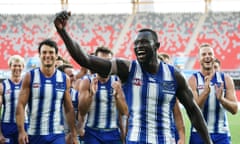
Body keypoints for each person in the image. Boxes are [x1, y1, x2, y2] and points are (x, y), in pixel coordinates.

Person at [54, 11, 212, 144]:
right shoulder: (127, 69)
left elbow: (193, 111)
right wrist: (63, 32)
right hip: (136, 140)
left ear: (156, 46)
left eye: (144, 42)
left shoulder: (175, 76)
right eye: (136, 44)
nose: (139, 46)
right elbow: (85, 59)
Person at [15, 39, 78, 144]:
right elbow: (21, 105)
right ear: (39, 55)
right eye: (44, 52)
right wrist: (21, 131)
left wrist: (74, 134)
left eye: (51, 52)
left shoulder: (64, 79)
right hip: (35, 134)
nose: (47, 55)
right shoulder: (30, 76)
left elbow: (69, 109)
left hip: (56, 134)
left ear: (56, 55)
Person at [188, 43, 238, 144]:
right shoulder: (193, 80)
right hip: (198, 133)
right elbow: (192, 110)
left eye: (210, 54)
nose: (207, 56)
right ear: (199, 58)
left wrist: (222, 100)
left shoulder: (226, 79)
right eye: (203, 54)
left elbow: (235, 109)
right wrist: (205, 92)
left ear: (214, 57)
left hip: (221, 134)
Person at [78, 46, 129, 144]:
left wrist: (117, 97)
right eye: (101, 61)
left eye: (108, 61)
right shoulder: (87, 81)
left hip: (113, 133)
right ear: (95, 63)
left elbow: (124, 112)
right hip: (92, 132)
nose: (104, 65)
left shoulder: (117, 81)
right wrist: (91, 94)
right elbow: (82, 111)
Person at [158, 52, 185, 144]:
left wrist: (182, 137)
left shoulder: (171, 84)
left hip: (170, 131)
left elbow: (177, 112)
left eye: (168, 64)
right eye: (164, 64)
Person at [0, 55, 28, 144]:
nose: (17, 68)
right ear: (10, 67)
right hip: (7, 125)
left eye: (19, 65)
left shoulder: (27, 85)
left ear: (23, 67)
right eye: (14, 65)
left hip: (25, 124)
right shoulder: (2, 86)